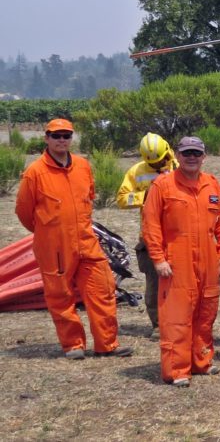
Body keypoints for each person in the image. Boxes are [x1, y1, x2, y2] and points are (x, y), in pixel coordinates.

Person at [15, 119, 132, 360]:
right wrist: (49, 232)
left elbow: (88, 197)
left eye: (66, 135)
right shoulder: (35, 172)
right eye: (56, 136)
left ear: (71, 138)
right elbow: (24, 212)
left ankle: (107, 344)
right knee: (60, 296)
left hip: (87, 241)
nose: (61, 140)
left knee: (103, 290)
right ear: (46, 138)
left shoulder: (82, 166)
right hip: (54, 246)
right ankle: (73, 345)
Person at [142, 136, 220, 387]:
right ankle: (177, 370)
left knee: (206, 313)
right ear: (177, 156)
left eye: (196, 153)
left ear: (204, 156)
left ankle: (201, 362)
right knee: (177, 317)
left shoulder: (212, 185)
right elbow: (150, 224)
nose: (191, 157)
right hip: (176, 261)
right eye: (186, 153)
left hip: (208, 259)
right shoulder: (163, 185)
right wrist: (158, 259)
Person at [116, 132, 176, 334]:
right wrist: (146, 195)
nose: (160, 164)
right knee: (155, 282)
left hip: (178, 235)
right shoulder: (137, 172)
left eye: (162, 160)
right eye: (155, 163)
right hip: (152, 236)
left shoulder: (180, 164)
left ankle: (179, 320)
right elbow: (122, 199)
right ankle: (158, 323)